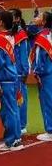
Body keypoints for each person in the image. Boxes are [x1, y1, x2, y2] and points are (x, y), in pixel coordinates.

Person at [0, 9, 23, 151]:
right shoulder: (10, 37)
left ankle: (11, 140)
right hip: (12, 78)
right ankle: (15, 138)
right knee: (13, 109)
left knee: (8, 111)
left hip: (4, 80)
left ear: (1, 22)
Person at [30, 10, 52, 142]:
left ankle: (50, 130)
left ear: (43, 22)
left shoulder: (42, 37)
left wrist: (37, 72)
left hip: (46, 74)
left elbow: (39, 58)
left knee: (47, 101)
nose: (36, 18)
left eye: (39, 16)